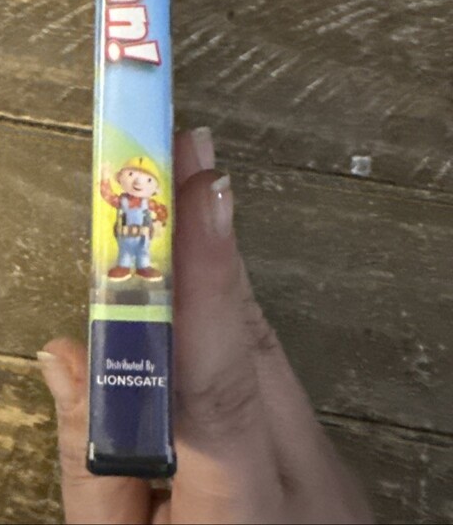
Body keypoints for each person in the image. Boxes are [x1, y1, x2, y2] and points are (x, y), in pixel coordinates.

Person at [38, 127, 373, 524]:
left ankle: (139, 268)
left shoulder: (149, 206)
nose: (137, 183)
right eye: (132, 178)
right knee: (132, 263)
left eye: (144, 180)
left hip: (145, 259)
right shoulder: (123, 198)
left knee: (147, 263)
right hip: (126, 256)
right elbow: (111, 196)